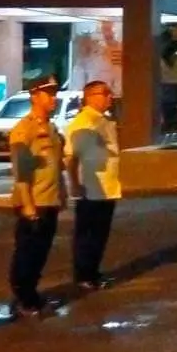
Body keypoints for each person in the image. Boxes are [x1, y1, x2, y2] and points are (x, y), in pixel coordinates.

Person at [8, 76, 67, 318]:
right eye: (48, 93)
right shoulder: (24, 130)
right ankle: (23, 298)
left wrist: (62, 192)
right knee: (27, 252)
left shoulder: (51, 127)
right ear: (34, 96)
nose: (53, 98)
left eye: (54, 93)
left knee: (41, 252)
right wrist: (28, 205)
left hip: (49, 200)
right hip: (34, 203)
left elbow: (56, 165)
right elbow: (21, 171)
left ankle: (31, 293)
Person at [65, 79, 120, 291]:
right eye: (105, 93)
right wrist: (74, 185)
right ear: (90, 97)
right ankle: (84, 275)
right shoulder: (83, 123)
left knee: (99, 234)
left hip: (106, 187)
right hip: (90, 188)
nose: (110, 97)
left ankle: (93, 272)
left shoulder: (102, 120)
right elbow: (71, 158)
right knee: (88, 234)